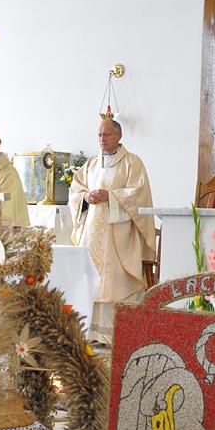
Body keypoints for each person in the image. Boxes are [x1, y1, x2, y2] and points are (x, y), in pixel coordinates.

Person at [68, 118, 153, 344]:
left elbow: (138, 194)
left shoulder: (132, 163)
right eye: (99, 135)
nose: (102, 139)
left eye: (106, 135)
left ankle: (115, 334)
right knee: (90, 278)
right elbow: (75, 190)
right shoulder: (91, 165)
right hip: (92, 234)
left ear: (119, 136)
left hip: (118, 235)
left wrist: (110, 196)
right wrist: (86, 197)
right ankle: (90, 331)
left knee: (115, 280)